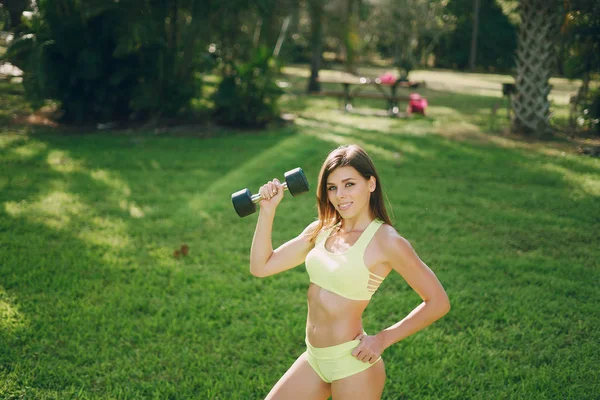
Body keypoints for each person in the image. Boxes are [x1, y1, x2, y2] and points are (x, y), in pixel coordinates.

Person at [249, 144, 450, 400]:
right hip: (314, 358)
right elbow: (261, 267)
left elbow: (438, 302)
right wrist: (268, 210)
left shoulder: (387, 241)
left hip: (352, 363)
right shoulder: (322, 229)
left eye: (349, 184)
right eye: (332, 187)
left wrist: (382, 340)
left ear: (371, 184)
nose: (340, 195)